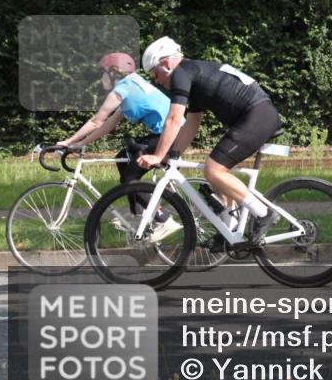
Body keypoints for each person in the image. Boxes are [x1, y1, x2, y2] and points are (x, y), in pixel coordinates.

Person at [137, 37, 281, 245]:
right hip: (257, 114)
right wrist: (172, 156)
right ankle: (229, 233)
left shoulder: (181, 74)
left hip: (257, 114)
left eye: (155, 74)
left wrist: (157, 155)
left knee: (213, 170)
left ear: (166, 63)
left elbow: (174, 119)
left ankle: (263, 213)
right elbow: (191, 123)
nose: (156, 81)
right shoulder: (192, 74)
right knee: (217, 175)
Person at [56, 52, 183, 241]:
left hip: (167, 135)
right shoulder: (133, 84)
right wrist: (81, 143)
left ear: (114, 72)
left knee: (130, 177)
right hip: (172, 133)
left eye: (103, 73)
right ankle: (140, 216)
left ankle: (163, 220)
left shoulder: (122, 89)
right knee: (122, 158)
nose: (101, 77)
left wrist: (68, 142)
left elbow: (96, 121)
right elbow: (109, 124)